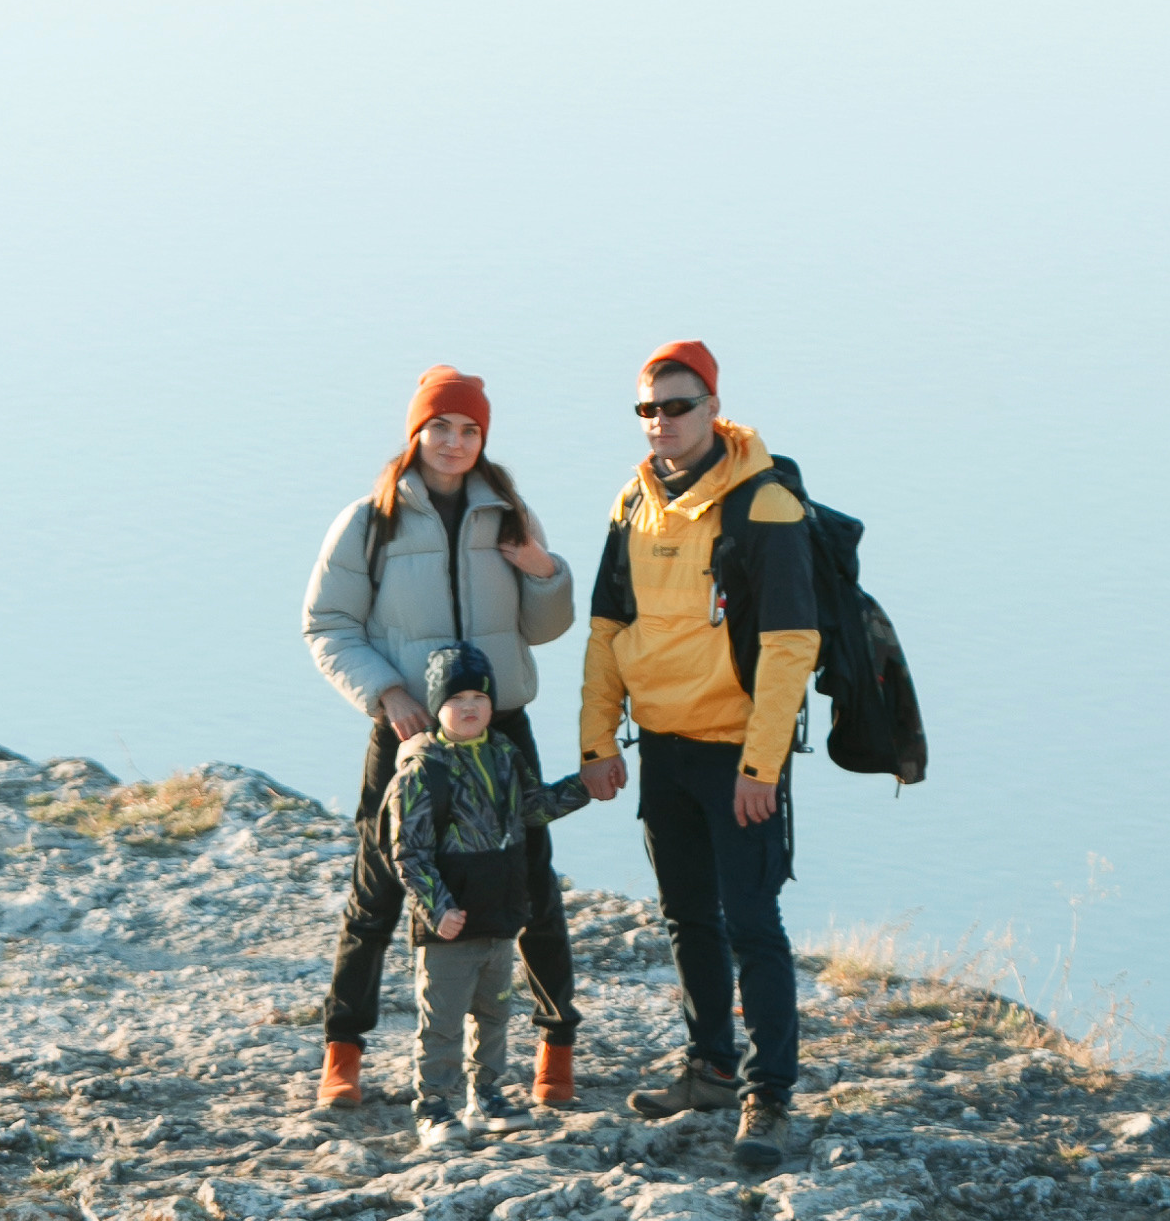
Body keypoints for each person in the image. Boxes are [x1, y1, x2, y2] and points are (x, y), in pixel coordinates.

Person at [304, 366, 580, 1111]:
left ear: (482, 438)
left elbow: (545, 627)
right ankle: (344, 1052)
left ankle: (555, 1051)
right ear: (415, 432)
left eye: (469, 430)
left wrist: (543, 570)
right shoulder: (370, 520)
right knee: (378, 891)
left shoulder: (509, 514)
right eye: (440, 427)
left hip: (501, 730)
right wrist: (387, 692)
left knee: (531, 887)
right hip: (407, 732)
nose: (454, 443)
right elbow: (327, 624)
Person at [579, 340, 818, 1173]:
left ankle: (770, 1093)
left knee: (752, 922)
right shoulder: (633, 503)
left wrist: (761, 767)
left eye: (676, 406)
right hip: (664, 752)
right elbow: (607, 629)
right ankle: (711, 1066)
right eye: (647, 410)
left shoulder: (763, 504)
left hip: (736, 756)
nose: (660, 423)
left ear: (712, 407)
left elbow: (791, 645)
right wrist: (595, 742)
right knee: (687, 918)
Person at [387, 644, 593, 1148]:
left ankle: (487, 1097)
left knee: (495, 1013)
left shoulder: (503, 753)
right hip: (450, 923)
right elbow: (408, 854)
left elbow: (533, 808)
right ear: (436, 706)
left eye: (479, 696)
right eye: (457, 698)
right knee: (442, 1021)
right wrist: (439, 910)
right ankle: (433, 1106)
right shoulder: (421, 770)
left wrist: (585, 786)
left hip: (499, 915)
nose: (471, 707)